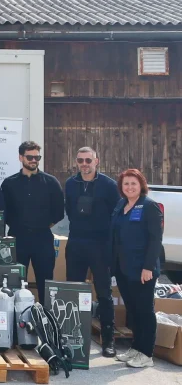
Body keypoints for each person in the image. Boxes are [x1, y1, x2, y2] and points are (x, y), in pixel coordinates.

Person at [64, 146, 120, 358]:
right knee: (74, 291)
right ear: (76, 162)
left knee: (104, 293)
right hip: (76, 242)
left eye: (88, 160)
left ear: (96, 161)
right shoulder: (71, 183)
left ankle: (108, 341)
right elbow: (70, 210)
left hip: (100, 244)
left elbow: (116, 214)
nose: (84, 164)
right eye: (80, 160)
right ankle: (73, 338)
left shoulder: (109, 185)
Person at [111, 169, 163, 369]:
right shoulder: (121, 204)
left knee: (144, 311)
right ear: (121, 187)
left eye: (134, 183)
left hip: (142, 269)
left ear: (141, 185)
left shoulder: (149, 206)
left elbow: (155, 240)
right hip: (123, 268)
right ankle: (136, 347)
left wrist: (148, 267)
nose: (130, 187)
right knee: (132, 310)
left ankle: (146, 353)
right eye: (126, 184)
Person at [2, 141, 65, 301]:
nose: (34, 160)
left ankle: (45, 315)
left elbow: (59, 211)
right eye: (30, 157)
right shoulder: (9, 183)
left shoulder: (51, 182)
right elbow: (3, 211)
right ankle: (16, 316)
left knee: (46, 282)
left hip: (42, 239)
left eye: (37, 157)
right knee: (15, 283)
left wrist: (43, 225)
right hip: (17, 239)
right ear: (20, 157)